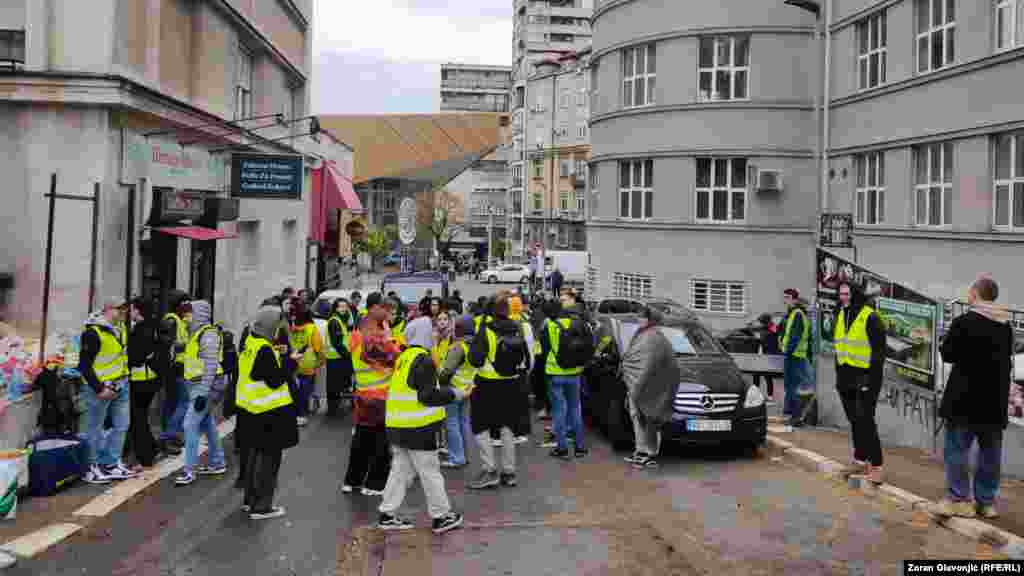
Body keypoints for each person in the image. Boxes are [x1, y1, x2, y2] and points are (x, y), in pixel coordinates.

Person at [933, 276, 1014, 519]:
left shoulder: (964, 321)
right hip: (994, 401)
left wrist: (942, 343)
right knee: (990, 454)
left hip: (964, 400)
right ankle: (986, 502)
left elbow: (948, 354)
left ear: (975, 294)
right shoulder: (1005, 325)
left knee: (957, 450)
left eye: (970, 291)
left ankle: (959, 498)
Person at [376, 344, 467, 533]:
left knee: (400, 471)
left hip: (397, 425)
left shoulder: (405, 359)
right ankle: (441, 516)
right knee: (429, 471)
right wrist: (456, 394)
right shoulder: (424, 361)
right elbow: (427, 396)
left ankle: (387, 514)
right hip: (418, 427)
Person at [236, 306, 300, 520]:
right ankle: (262, 507)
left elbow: (257, 372)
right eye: (277, 326)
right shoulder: (264, 349)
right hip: (269, 413)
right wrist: (291, 361)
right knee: (268, 462)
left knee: (254, 458)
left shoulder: (251, 343)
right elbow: (274, 379)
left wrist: (278, 354)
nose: (278, 330)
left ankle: (250, 501)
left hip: (252, 411)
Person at [467, 291, 528, 489]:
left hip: (486, 384)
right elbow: (525, 358)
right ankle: (509, 473)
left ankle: (489, 469)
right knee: (507, 427)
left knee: (480, 426)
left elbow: (474, 359)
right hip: (511, 383)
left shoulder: (486, 329)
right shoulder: (517, 328)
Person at [79, 297, 139, 484]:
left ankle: (111, 463)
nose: (123, 312)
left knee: (121, 426)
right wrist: (99, 388)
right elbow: (84, 365)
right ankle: (90, 467)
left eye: (125, 309)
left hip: (121, 384)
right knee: (94, 429)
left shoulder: (120, 330)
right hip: (100, 389)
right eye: (119, 309)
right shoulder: (93, 333)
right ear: (107, 309)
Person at [343, 293, 398, 496]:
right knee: (381, 442)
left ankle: (353, 480)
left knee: (361, 439)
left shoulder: (359, 330)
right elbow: (391, 358)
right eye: (385, 309)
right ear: (375, 308)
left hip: (363, 395)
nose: (387, 313)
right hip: (379, 396)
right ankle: (375, 484)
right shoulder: (372, 335)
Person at [833, 283, 886, 483]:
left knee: (865, 421)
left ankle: (877, 466)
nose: (843, 297)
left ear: (855, 294)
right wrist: (838, 375)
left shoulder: (870, 316)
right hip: (845, 376)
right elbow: (840, 346)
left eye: (846, 294)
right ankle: (860, 460)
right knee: (854, 420)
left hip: (866, 376)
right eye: (840, 294)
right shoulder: (840, 313)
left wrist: (870, 380)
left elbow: (879, 352)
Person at [175, 300, 227, 485]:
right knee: (206, 423)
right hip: (199, 385)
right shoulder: (198, 333)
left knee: (189, 424)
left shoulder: (208, 334)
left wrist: (203, 393)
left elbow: (211, 366)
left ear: (199, 314)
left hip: (206, 386)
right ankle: (217, 461)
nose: (187, 317)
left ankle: (189, 470)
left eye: (190, 313)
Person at [621, 305, 679, 469]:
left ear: (650, 319)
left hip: (649, 386)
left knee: (649, 419)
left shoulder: (653, 338)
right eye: (639, 316)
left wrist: (637, 380)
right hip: (637, 384)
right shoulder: (642, 334)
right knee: (638, 418)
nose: (640, 319)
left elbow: (651, 363)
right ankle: (640, 451)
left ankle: (649, 453)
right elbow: (635, 358)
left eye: (643, 317)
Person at [539, 291, 587, 460]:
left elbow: (545, 349)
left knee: (559, 411)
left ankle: (562, 448)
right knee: (576, 408)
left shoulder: (551, 325)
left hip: (555, 372)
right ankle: (580, 447)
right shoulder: (578, 323)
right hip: (575, 371)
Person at [126, 297, 164, 469]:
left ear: (139, 311)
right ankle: (151, 449)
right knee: (140, 417)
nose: (130, 312)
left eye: (132, 309)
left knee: (137, 418)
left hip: (141, 379)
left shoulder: (141, 330)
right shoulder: (155, 326)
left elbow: (135, 357)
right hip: (152, 378)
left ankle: (145, 457)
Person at [437, 315, 476, 468]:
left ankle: (456, 457)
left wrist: (439, 376)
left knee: (451, 423)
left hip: (452, 389)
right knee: (464, 423)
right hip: (467, 388)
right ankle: (464, 455)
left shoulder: (458, 347)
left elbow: (446, 372)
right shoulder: (473, 346)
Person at [159, 298, 192, 455]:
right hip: (174, 368)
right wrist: (190, 344)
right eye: (184, 303)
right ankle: (168, 435)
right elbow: (168, 344)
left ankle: (169, 437)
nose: (188, 307)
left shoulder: (178, 321)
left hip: (177, 368)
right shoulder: (171, 320)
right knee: (184, 402)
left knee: (172, 403)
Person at [288, 298, 324, 427]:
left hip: (292, 362)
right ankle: (302, 414)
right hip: (308, 364)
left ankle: (295, 414)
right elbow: (318, 347)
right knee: (305, 391)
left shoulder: (290, 328)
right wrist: (320, 362)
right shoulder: (311, 328)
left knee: (294, 391)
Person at [781, 288, 811, 427]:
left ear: (794, 299)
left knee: (793, 387)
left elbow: (795, 336)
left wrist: (788, 351)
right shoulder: (794, 313)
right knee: (792, 386)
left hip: (794, 355)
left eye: (787, 297)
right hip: (795, 354)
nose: (785, 300)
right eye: (785, 297)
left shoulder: (797, 314)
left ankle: (796, 417)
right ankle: (793, 415)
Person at [325, 299, 354, 417]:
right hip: (335, 358)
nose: (344, 309)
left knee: (336, 385)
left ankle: (334, 408)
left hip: (337, 357)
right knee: (334, 386)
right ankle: (332, 409)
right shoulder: (335, 322)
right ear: (336, 308)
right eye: (341, 307)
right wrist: (348, 355)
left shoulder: (340, 320)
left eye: (345, 307)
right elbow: (337, 343)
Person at [754, 314, 780, 401]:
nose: (760, 324)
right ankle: (757, 394)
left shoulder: (772, 329)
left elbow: (769, 338)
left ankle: (769, 396)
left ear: (765, 322)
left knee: (767, 376)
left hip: (767, 355)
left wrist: (760, 337)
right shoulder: (767, 328)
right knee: (757, 375)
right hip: (762, 355)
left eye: (761, 322)